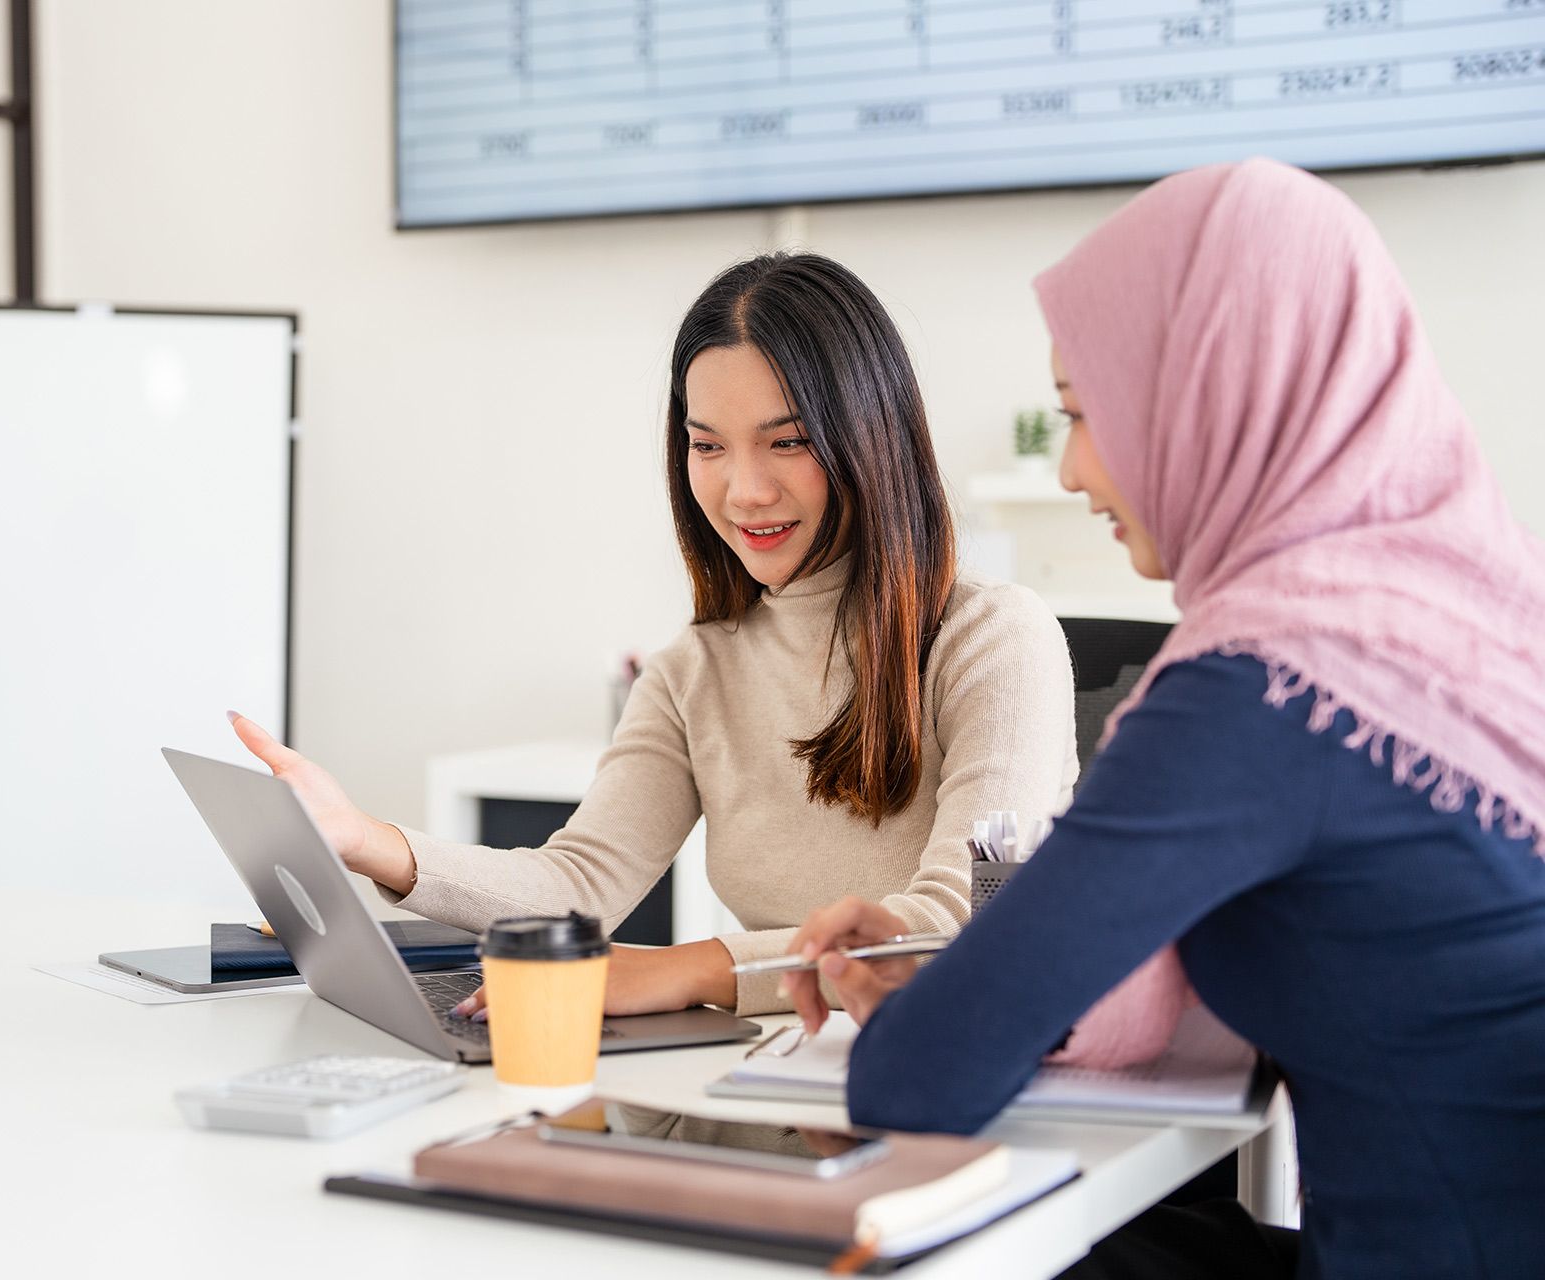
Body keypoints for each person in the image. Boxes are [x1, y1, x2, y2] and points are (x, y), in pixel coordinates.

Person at [784, 158, 1545, 1278]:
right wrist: (967, 978)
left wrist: (933, 1002)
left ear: (1212, 391)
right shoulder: (1470, 627)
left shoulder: (1259, 687)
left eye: (1087, 414)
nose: (1082, 471)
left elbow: (915, 1076)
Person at [229, 251, 1078, 1018]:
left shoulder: (995, 640)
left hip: (936, 1083)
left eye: (787, 442)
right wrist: (366, 839)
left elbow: (971, 912)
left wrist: (689, 970)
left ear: (872, 438)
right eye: (707, 446)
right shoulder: (694, 670)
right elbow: (576, 886)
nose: (743, 490)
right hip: (766, 1069)